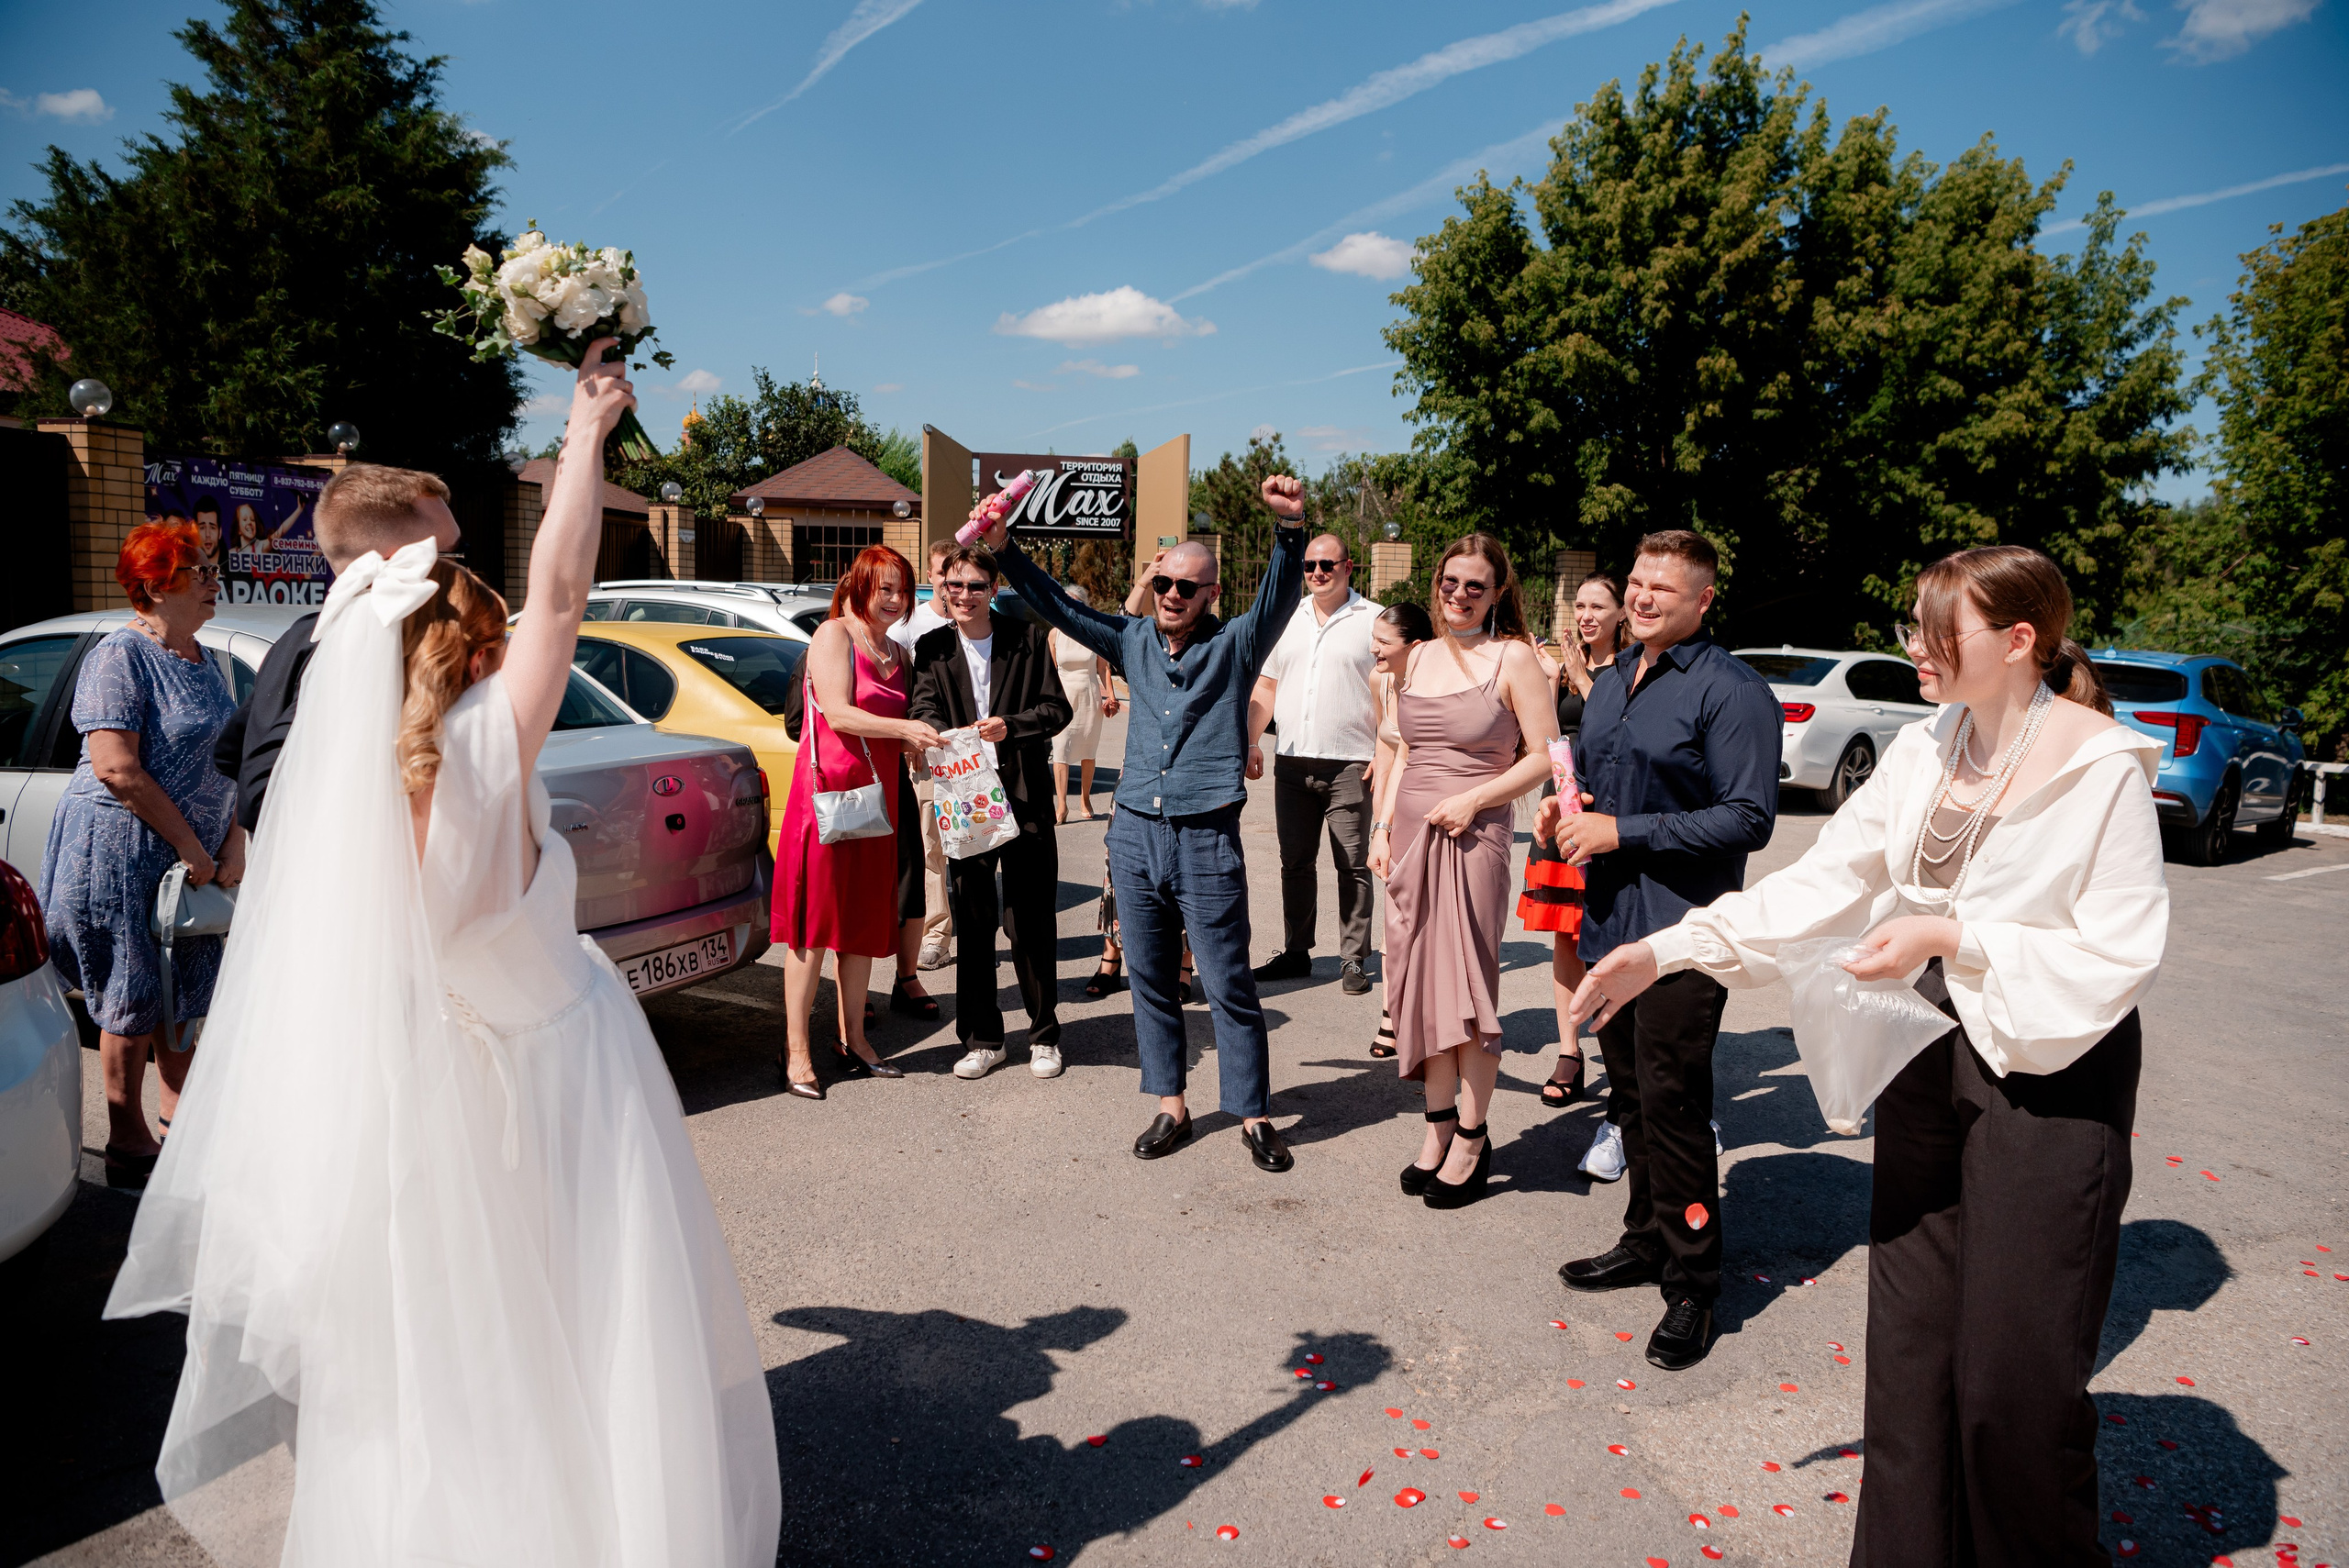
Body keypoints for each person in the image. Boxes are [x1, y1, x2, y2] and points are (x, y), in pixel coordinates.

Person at [104, 342, 782, 1563]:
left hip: (441, 1101)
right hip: (571, 1079)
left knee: (460, 1367)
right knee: (597, 1331)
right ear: (470, 652)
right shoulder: (494, 746)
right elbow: (567, 590)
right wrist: (584, 437)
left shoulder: (340, 806)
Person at [1566, 545, 2165, 1563]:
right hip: (1924, 1050)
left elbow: (2120, 949)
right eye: (1911, 628)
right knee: (1910, 1356)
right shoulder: (1928, 745)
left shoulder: (2099, 764)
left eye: (1939, 633)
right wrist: (1666, 948)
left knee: (2008, 1387)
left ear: (2019, 642)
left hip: (2050, 1070)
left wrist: (1949, 937)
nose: (1915, 650)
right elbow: (1822, 881)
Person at [976, 477, 1307, 1173]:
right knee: (1151, 978)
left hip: (1206, 836)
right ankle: (1172, 1103)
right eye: (1164, 584)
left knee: (1225, 984)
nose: (1172, 596)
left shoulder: (1237, 646)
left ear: (1211, 593)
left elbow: (1279, 600)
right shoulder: (1130, 639)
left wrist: (1289, 532)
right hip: (1132, 834)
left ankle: (1253, 1113)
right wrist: (1003, 549)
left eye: (1188, 587)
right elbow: (1058, 606)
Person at [1546, 530, 1781, 1371]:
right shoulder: (1612, 681)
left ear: (1703, 601)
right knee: (1633, 1095)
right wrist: (1569, 813)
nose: (1642, 599)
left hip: (1682, 931)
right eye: (1638, 584)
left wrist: (1623, 829)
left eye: (1662, 591)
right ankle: (1645, 1237)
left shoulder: (1733, 691)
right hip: (1610, 922)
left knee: (1676, 1105)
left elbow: (1749, 815)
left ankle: (1694, 1284)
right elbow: (1605, 790)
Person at [40, 523, 245, 1189]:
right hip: (124, 849)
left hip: (189, 856)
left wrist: (231, 833)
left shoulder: (202, 657)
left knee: (182, 983)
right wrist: (191, 843)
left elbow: (226, 758)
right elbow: (116, 769)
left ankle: (178, 1118)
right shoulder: (120, 655)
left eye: (213, 568)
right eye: (201, 570)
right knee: (129, 990)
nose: (215, 580)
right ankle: (127, 1140)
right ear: (156, 586)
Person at [1368, 538, 1559, 1207]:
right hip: (1414, 833)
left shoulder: (1515, 659)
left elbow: (1546, 756)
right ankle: (1437, 1127)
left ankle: (1474, 1139)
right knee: (1418, 984)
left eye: (1474, 586)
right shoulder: (1415, 656)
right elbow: (1400, 749)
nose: (1458, 595)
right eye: (1449, 582)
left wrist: (1476, 798)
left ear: (1499, 591)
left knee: (1469, 986)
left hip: (1476, 834)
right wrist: (1384, 827)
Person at [773, 545, 944, 1098]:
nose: (896, 599)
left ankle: (855, 1040)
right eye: (885, 587)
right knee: (812, 929)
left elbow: (903, 722)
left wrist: (919, 747)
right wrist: (905, 734)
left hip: (876, 801)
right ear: (859, 585)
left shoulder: (897, 650)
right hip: (826, 799)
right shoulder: (834, 636)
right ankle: (797, 1050)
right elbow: (839, 710)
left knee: (863, 925)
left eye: (903, 589)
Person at [214, 463, 464, 832]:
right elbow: (259, 791)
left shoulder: (302, 633)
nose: (467, 575)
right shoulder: (369, 645)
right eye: (453, 558)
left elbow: (229, 751)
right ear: (401, 567)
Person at [909, 545, 1073, 1079]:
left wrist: (1011, 726)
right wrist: (935, 729)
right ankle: (982, 1037)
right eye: (953, 585)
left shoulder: (1026, 639)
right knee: (975, 922)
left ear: (994, 588)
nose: (962, 595)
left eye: (975, 586)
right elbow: (923, 704)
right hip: (965, 798)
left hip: (1023, 796)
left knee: (1028, 921)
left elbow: (1056, 709)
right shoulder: (932, 647)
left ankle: (1044, 1034)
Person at [1521, 573, 1631, 1172]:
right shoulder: (1561, 666)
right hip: (1559, 806)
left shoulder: (1633, 669)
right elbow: (1543, 733)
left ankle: (1625, 1069)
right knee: (1566, 935)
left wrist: (1586, 680)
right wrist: (1548, 681)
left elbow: (1621, 732)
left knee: (1610, 940)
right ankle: (1570, 1051)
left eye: (1598, 606)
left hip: (1609, 812)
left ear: (1621, 613)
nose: (1586, 615)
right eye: (1580, 606)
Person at [1246, 534, 1381, 995]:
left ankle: (1354, 958)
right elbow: (1266, 687)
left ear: (1349, 566)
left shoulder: (1373, 618)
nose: (1317, 572)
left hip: (1352, 763)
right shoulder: (1289, 617)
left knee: (1353, 865)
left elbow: (1394, 688)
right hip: (1292, 761)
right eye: (1309, 565)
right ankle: (1297, 952)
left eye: (1327, 564)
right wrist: (1250, 741)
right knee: (1295, 863)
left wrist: (1386, 749)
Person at [1364, 601, 1434, 1062]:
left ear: (1416, 646)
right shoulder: (1380, 680)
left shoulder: (1436, 685)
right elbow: (1387, 751)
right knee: (1395, 921)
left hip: (1429, 808)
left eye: (1383, 643)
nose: (1373, 650)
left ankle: (1429, 1016)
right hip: (1392, 808)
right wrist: (1379, 827)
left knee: (1428, 919)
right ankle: (1391, 1014)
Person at [893, 539, 957, 973]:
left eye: (959, 575)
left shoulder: (982, 622)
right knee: (931, 847)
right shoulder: (908, 627)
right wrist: (911, 743)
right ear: (930, 576)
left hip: (976, 756)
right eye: (942, 574)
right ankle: (937, 934)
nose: (951, 584)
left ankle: (977, 928)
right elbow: (900, 698)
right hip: (928, 756)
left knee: (975, 846)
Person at [1048, 585, 1119, 822]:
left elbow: (1103, 668)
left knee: (1088, 750)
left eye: (1075, 602)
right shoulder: (1055, 634)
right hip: (1063, 697)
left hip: (1089, 696)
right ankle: (1061, 805)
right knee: (1060, 750)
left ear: (1083, 606)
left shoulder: (1092, 633)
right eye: (1067, 601)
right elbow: (1050, 671)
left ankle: (1085, 799)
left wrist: (1111, 696)